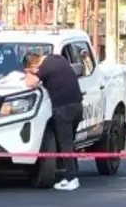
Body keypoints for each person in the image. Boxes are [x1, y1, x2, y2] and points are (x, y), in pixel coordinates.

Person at [23, 50, 84, 191]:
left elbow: (30, 83)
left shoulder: (44, 68)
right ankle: (73, 172)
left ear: (33, 64)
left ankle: (71, 179)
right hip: (77, 106)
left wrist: (29, 73)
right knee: (69, 141)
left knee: (65, 144)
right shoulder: (58, 58)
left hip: (63, 109)